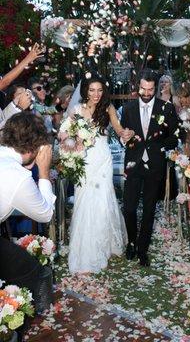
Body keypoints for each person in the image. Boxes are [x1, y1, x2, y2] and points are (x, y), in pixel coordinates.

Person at [66, 74, 131, 274]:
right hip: (84, 162)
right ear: (85, 90)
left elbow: (119, 129)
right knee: (84, 200)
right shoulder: (76, 110)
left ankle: (105, 244)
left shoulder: (108, 108)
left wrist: (125, 133)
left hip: (103, 160)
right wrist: (72, 146)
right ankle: (85, 247)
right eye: (92, 90)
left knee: (103, 199)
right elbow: (66, 135)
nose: (96, 94)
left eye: (100, 90)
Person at [120, 69, 179, 267]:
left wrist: (161, 146)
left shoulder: (167, 108)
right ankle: (131, 242)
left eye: (150, 89)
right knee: (128, 208)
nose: (146, 93)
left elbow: (175, 135)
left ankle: (143, 249)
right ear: (138, 87)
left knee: (148, 209)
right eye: (143, 89)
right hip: (133, 163)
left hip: (155, 165)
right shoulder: (127, 108)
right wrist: (124, 138)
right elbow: (122, 135)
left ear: (156, 88)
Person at [0, 112, 55, 302]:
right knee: (32, 271)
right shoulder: (19, 177)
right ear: (35, 147)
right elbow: (45, 214)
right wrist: (44, 172)